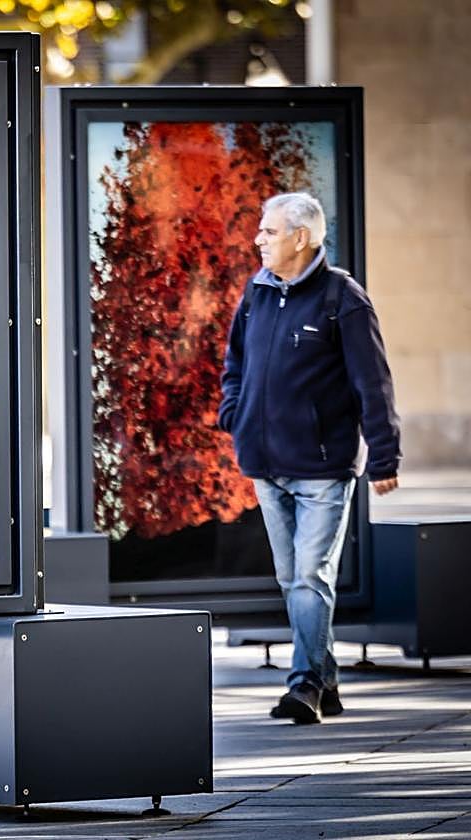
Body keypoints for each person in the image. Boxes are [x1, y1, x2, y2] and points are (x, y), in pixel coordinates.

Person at [218, 192, 401, 724]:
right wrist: (236, 412)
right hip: (265, 461)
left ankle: (304, 685)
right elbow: (234, 363)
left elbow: (374, 384)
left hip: (322, 466)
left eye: (269, 232)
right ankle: (328, 680)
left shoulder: (343, 299)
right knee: (290, 578)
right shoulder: (256, 293)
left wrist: (384, 457)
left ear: (302, 237)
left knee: (309, 577)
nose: (259, 240)